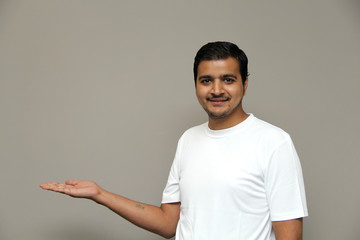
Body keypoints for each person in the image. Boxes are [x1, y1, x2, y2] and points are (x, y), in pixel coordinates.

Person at [40, 41, 308, 240]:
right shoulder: (188, 140)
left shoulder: (273, 142)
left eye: (228, 79)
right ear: (195, 84)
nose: (216, 90)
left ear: (245, 84)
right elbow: (170, 223)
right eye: (206, 80)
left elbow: (290, 236)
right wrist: (100, 194)